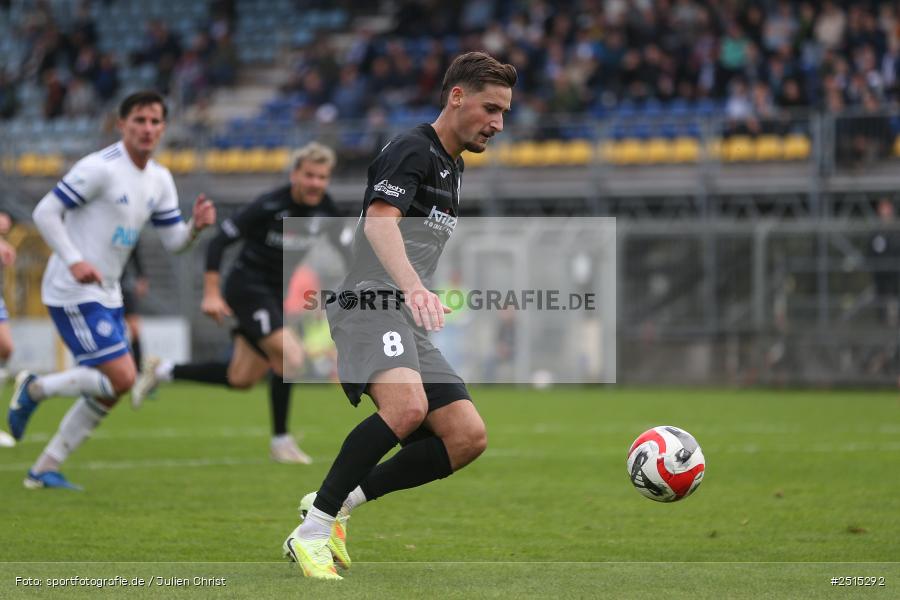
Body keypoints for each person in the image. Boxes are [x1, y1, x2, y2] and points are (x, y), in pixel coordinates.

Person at [282, 51, 516, 580]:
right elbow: (378, 224)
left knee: (466, 436)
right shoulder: (412, 149)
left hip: (403, 313)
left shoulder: (452, 168)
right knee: (407, 407)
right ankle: (312, 530)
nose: (498, 123)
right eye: (490, 108)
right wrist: (413, 290)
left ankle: (336, 505)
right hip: (370, 301)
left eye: (504, 112)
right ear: (456, 96)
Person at [7, 90, 217, 490]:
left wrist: (195, 228)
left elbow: (174, 241)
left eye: (155, 121)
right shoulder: (99, 168)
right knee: (123, 377)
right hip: (71, 287)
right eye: (139, 120)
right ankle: (35, 388)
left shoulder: (159, 178)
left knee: (115, 386)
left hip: (107, 291)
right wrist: (73, 259)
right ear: (121, 124)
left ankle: (44, 466)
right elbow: (45, 212)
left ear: (164, 128)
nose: (148, 128)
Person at [132, 142, 351, 464]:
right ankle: (281, 441)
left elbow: (346, 253)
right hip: (247, 288)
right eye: (310, 175)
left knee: (242, 378)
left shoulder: (326, 210)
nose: (316, 183)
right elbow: (219, 242)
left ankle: (162, 370)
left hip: (275, 295)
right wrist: (211, 293)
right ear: (295, 175)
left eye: (322, 177)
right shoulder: (269, 204)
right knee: (291, 356)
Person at [122, 242, 149, 372]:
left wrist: (141, 277)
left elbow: (135, 252)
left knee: (134, 329)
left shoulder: (127, 228)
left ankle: (139, 373)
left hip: (123, 286)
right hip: (102, 286)